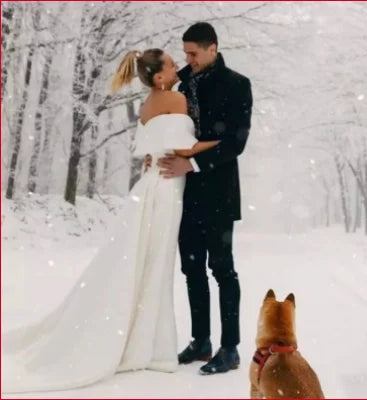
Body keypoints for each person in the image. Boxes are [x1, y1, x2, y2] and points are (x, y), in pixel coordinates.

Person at [1, 48, 220, 393]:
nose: (177, 65)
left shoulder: (151, 102)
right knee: (155, 265)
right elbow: (186, 148)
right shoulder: (173, 100)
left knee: (143, 263)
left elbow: (150, 147)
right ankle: (147, 346)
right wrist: (224, 141)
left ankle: (142, 340)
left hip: (152, 185)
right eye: (170, 64)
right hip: (165, 191)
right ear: (160, 76)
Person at [157, 22, 253, 375]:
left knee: (223, 270)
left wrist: (193, 162)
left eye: (193, 53)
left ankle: (230, 349)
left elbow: (236, 142)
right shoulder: (184, 83)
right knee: (191, 269)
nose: (188, 59)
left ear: (213, 48)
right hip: (186, 193)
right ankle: (201, 341)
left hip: (219, 192)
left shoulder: (238, 85)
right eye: (185, 53)